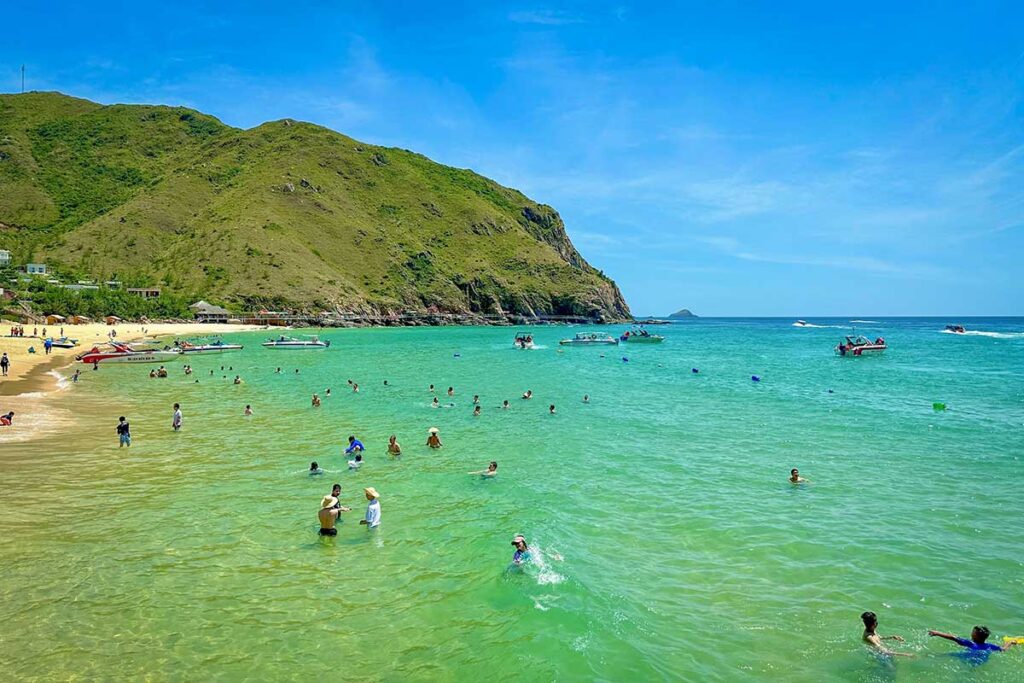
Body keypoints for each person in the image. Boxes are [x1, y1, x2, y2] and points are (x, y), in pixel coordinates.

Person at [928, 625, 1014, 662]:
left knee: (949, 655)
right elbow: (1003, 649)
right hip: (982, 661)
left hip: (967, 658)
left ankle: (933, 656)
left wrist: (936, 633)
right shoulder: (990, 646)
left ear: (975, 636)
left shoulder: (970, 644)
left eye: (973, 632)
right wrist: (1010, 642)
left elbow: (953, 638)